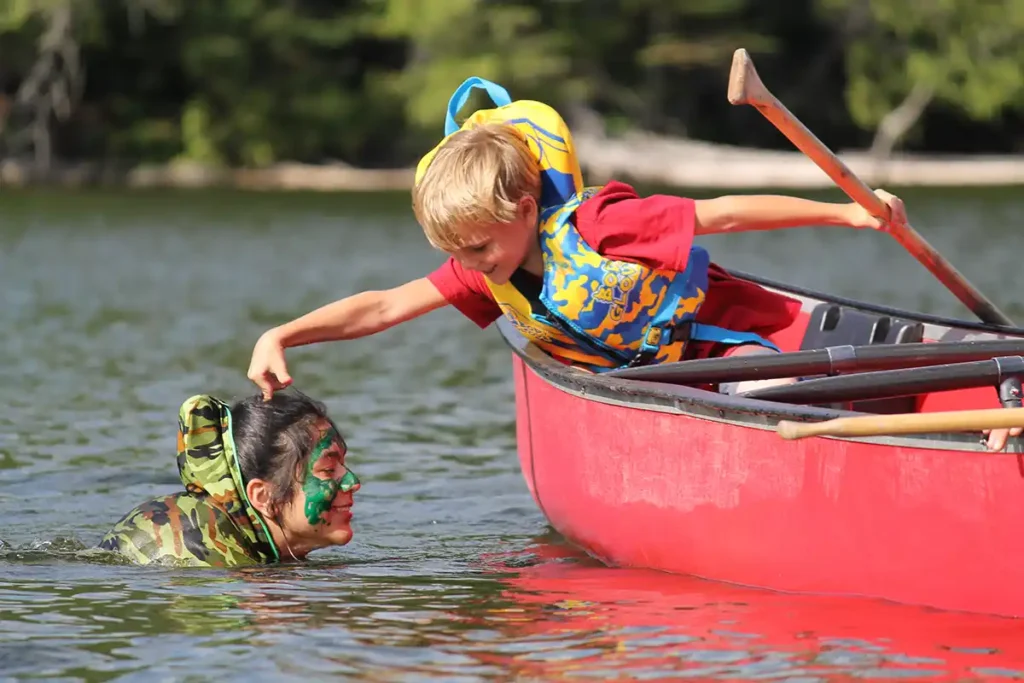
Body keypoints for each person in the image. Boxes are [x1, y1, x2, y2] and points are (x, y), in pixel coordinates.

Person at [245, 77, 1014, 451]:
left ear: (525, 209)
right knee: (770, 400)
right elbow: (384, 305)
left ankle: (982, 412)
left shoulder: (603, 225)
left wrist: (845, 212)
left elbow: (723, 213)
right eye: (455, 252)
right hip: (678, 378)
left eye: (476, 247)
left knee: (788, 389)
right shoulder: (488, 270)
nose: (467, 264)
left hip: (743, 337)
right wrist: (283, 333)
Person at [98, 391, 361, 567]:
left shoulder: (258, 543)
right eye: (328, 470)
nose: (353, 482)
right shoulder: (201, 559)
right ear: (264, 496)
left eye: (343, 464)